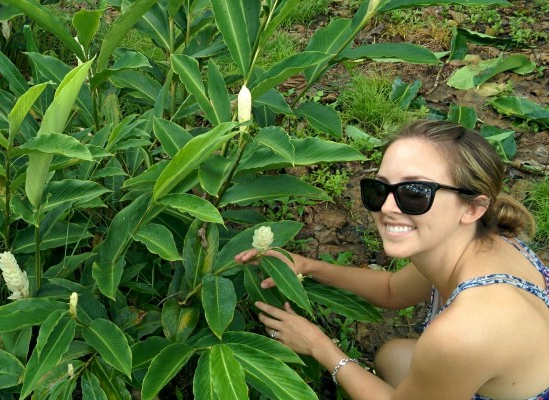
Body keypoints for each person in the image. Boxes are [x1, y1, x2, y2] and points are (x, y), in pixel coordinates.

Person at [235, 120, 549, 399]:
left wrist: (320, 346)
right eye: (379, 189)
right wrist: (308, 266)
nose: (386, 207)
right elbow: (392, 289)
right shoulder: (479, 243)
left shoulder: (462, 333)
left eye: (414, 193)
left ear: (472, 207)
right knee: (393, 356)